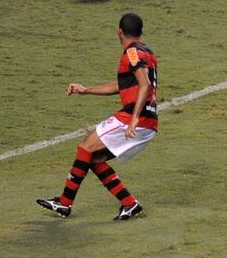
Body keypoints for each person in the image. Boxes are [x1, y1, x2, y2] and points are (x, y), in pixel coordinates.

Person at [37, 13, 158, 220]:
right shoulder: (146, 52)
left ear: (119, 31)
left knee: (85, 147)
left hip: (133, 117)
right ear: (141, 32)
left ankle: (65, 203)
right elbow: (122, 85)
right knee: (92, 158)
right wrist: (86, 90)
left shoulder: (132, 54)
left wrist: (134, 118)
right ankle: (129, 203)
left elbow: (145, 85)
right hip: (148, 120)